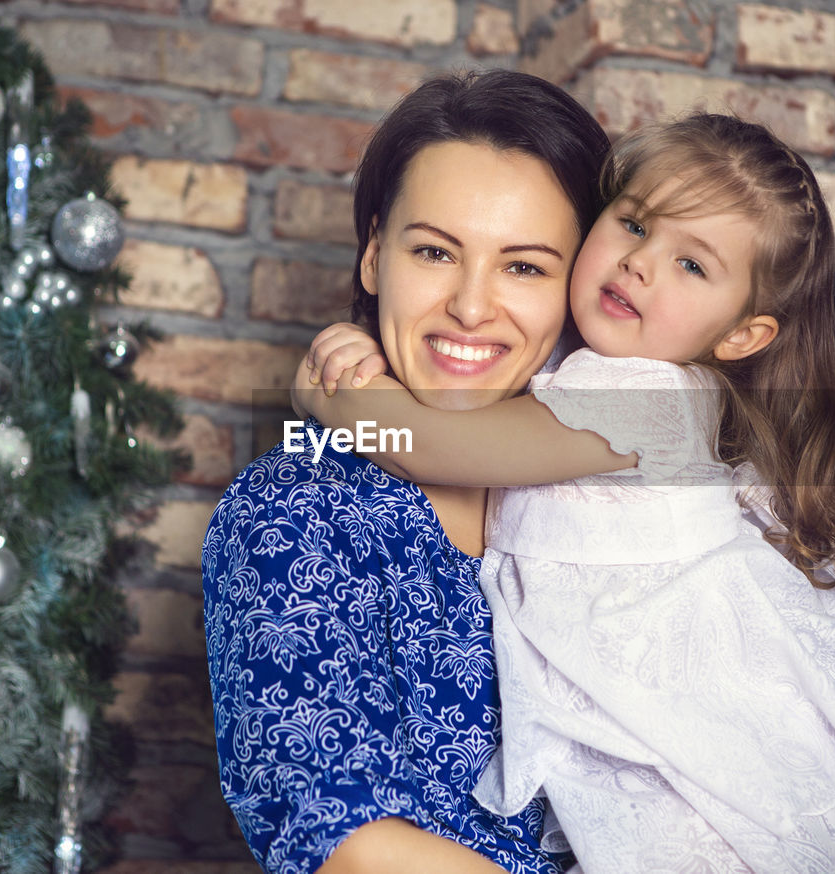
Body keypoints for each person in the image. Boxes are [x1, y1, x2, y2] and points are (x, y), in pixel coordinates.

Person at [293, 114, 835, 873]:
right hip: (633, 739)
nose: (642, 264)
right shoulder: (572, 376)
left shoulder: (654, 400)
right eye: (635, 224)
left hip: (688, 755)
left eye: (692, 266)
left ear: (742, 337)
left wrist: (336, 400)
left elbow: (435, 446)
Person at [202, 69, 611, 874]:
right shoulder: (296, 505)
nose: (469, 305)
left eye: (524, 267)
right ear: (372, 256)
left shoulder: (604, 501)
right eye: (433, 251)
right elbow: (346, 843)